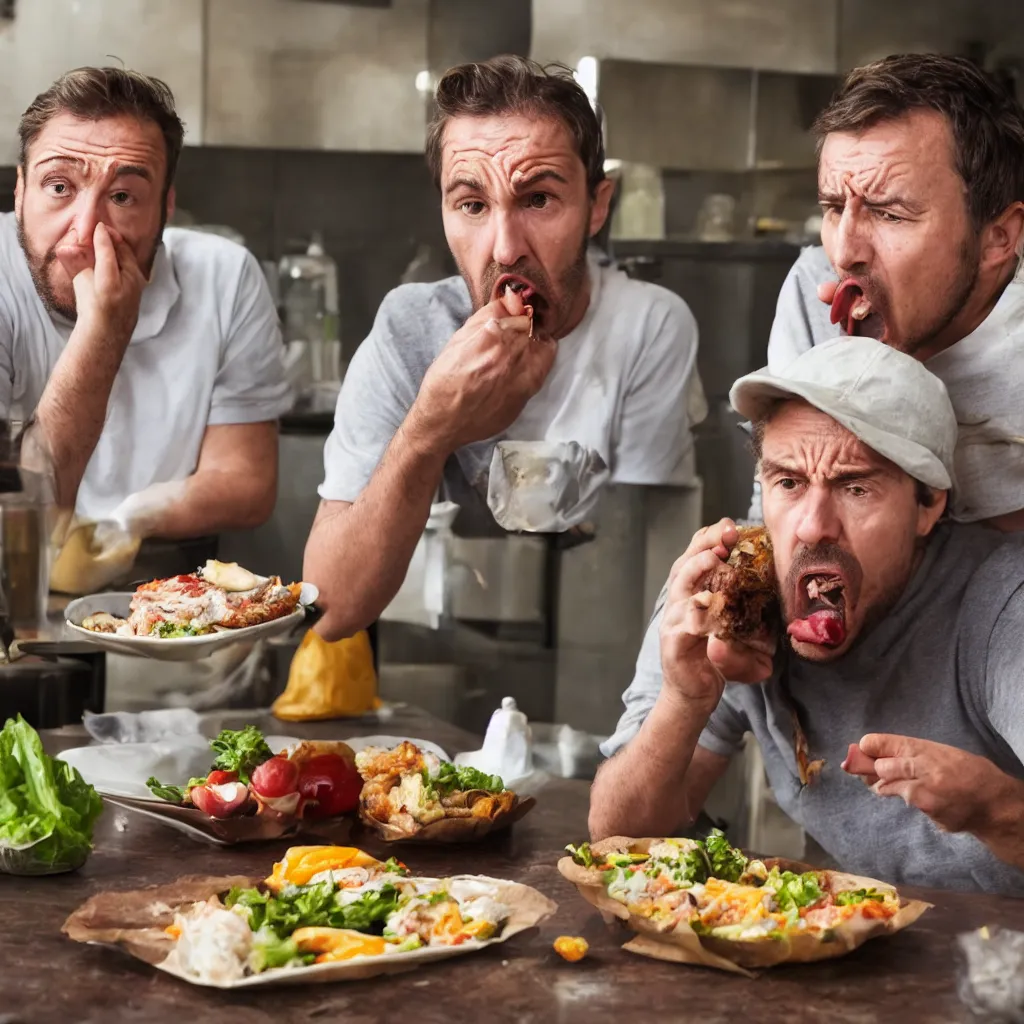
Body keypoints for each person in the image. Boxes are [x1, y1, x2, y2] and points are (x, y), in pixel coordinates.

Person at [591, 337, 1024, 894]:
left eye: (856, 487)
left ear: (928, 505)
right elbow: (618, 839)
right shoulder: (730, 595)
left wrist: (996, 809)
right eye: (788, 483)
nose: (813, 526)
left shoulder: (1002, 606)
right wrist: (683, 699)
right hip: (862, 949)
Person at [305, 56, 705, 641]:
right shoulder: (410, 331)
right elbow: (329, 610)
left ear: (597, 206)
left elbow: (643, 571)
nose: (506, 248)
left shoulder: (647, 326)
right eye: (472, 205)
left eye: (538, 200)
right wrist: (429, 431)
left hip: (597, 657)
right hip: (434, 661)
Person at [1, 66, 291, 543]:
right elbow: (33, 520)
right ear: (19, 189)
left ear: (166, 207)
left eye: (122, 196)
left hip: (165, 586)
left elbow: (247, 483)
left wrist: (128, 523)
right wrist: (103, 333)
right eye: (59, 187)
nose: (84, 234)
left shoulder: (226, 278)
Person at [755, 53, 1024, 529]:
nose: (843, 254)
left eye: (890, 214)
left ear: (997, 239)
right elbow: (779, 515)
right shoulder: (810, 292)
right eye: (835, 207)